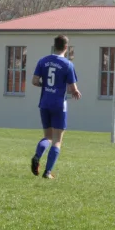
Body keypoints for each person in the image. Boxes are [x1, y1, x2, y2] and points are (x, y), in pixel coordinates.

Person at [31, 35, 82, 179]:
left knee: (47, 136)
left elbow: (34, 81)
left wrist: (45, 86)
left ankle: (37, 155)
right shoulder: (67, 64)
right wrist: (76, 91)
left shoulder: (43, 61)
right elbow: (72, 88)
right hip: (59, 105)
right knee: (57, 140)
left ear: (54, 46)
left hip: (45, 103)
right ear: (66, 47)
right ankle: (47, 172)